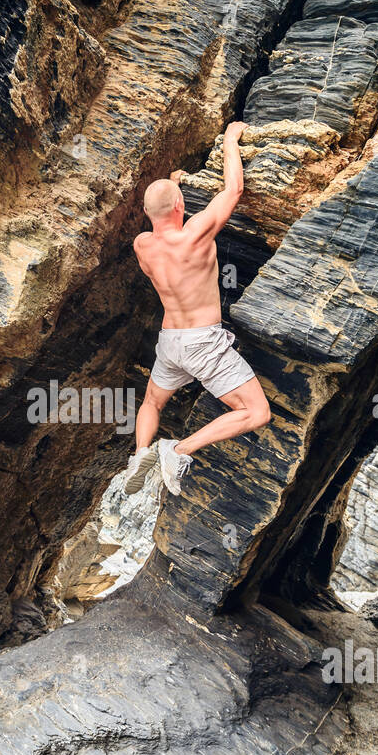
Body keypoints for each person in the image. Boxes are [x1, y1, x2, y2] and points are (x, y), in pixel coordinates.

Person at [125, 121, 270, 496]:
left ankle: (141, 453)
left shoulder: (142, 246)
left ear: (145, 211)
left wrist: (173, 185)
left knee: (152, 402)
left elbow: (159, 217)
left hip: (170, 342)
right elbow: (233, 189)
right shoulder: (195, 234)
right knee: (256, 413)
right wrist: (232, 138)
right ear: (180, 205)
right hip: (203, 343)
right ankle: (178, 449)